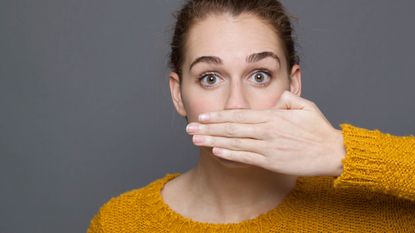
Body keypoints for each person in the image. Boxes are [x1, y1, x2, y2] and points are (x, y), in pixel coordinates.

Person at [87, 0, 415, 232]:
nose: (236, 104)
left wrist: (341, 151)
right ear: (178, 94)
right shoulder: (120, 224)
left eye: (259, 75)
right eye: (210, 78)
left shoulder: (368, 216)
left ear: (293, 84)